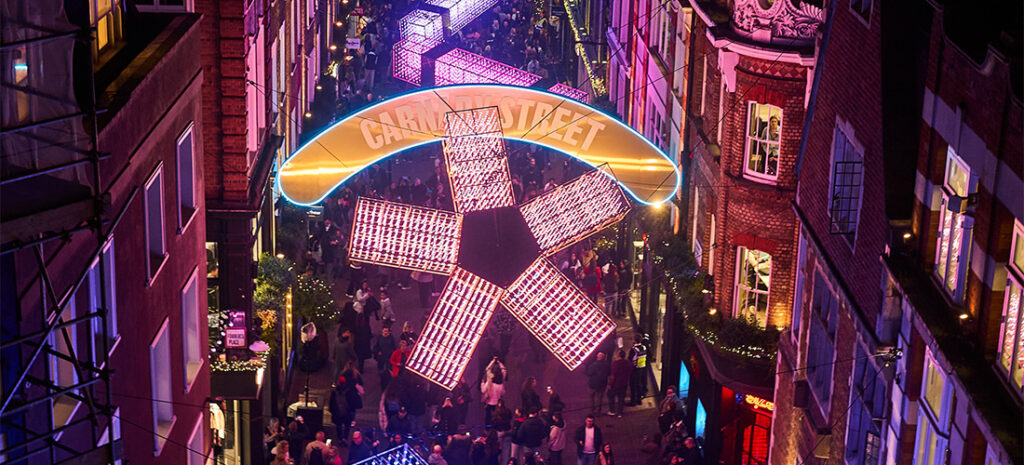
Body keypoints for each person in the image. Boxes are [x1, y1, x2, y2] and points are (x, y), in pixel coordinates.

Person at [481, 357, 507, 425]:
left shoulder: (490, 383)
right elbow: (504, 371)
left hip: (489, 402)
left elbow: (483, 390)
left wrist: (492, 361)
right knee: (496, 417)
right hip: (497, 403)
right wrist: (499, 363)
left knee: (488, 417)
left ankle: (488, 428)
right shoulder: (501, 385)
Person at [607, 350, 631, 417]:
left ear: (618, 355)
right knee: (621, 398)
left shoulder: (615, 363)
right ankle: (620, 413)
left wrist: (609, 384)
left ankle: (612, 411)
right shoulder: (628, 363)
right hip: (624, 384)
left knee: (611, 396)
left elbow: (613, 376)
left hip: (615, 384)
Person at [628, 334, 648, 406]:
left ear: (635, 340)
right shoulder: (644, 347)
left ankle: (633, 401)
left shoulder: (633, 349)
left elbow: (630, 359)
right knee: (639, 384)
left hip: (635, 369)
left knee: (633, 385)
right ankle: (639, 400)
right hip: (642, 368)